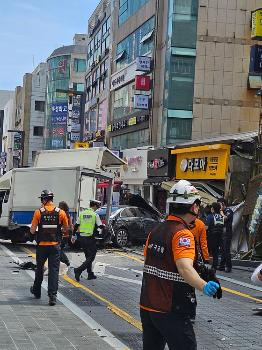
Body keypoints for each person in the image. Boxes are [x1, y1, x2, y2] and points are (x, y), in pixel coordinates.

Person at [140, 180, 221, 350]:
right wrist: (204, 285)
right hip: (171, 308)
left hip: (148, 306)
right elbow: (184, 268)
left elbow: (154, 260)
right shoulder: (182, 234)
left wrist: (200, 270)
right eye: (197, 205)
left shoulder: (156, 230)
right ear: (193, 207)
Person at [30, 190, 68, 306]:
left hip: (42, 246)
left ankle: (36, 290)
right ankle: (52, 296)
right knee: (54, 271)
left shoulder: (38, 212)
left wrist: (34, 232)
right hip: (55, 246)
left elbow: (32, 230)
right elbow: (66, 229)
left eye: (42, 199)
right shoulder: (61, 212)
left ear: (45, 199)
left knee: (40, 268)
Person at [73, 199, 104, 282]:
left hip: (81, 238)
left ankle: (90, 274)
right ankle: (78, 270)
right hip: (90, 238)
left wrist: (73, 235)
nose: (97, 208)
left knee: (88, 256)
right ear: (94, 206)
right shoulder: (95, 215)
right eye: (97, 207)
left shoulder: (82, 214)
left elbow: (76, 225)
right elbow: (100, 226)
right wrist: (102, 228)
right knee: (92, 256)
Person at [206, 202, 224, 272]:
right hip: (219, 238)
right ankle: (214, 268)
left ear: (212, 209)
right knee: (215, 254)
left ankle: (205, 266)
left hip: (210, 237)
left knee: (206, 252)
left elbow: (206, 227)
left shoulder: (210, 216)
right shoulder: (220, 217)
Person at [217, 198, 234, 272]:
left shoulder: (228, 211)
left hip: (227, 233)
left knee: (226, 250)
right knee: (223, 250)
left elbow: (226, 218)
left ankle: (228, 266)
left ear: (223, 203)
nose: (219, 206)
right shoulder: (222, 212)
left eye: (219, 204)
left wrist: (221, 211)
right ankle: (221, 266)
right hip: (222, 233)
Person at [58, 201, 73, 267]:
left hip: (64, 234)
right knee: (59, 249)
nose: (58, 207)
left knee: (59, 249)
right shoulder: (67, 214)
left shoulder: (63, 214)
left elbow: (64, 225)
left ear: (62, 207)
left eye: (59, 206)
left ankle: (66, 261)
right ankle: (63, 262)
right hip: (66, 234)